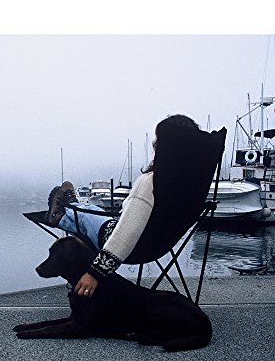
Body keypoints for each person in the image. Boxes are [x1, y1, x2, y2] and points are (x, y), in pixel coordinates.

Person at [43, 114, 201, 299]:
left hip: (130, 245)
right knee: (95, 212)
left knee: (85, 216)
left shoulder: (152, 182)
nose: (153, 143)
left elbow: (128, 232)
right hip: (159, 245)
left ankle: (63, 213)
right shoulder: (190, 184)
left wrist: (96, 272)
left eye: (157, 139)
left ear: (165, 145)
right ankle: (69, 209)